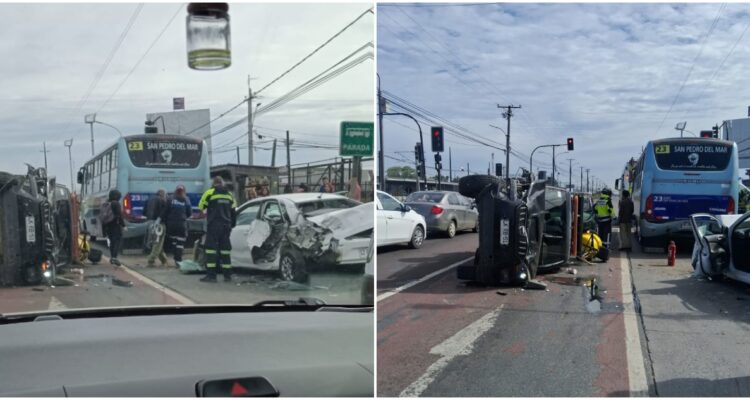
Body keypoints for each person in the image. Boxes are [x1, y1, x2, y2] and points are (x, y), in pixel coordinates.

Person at [199, 176, 237, 282]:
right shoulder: (230, 195)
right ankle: (227, 275)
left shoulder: (209, 193)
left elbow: (201, 206)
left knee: (211, 249)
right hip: (226, 226)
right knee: (225, 250)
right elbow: (233, 212)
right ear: (223, 183)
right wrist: (232, 225)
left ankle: (211, 276)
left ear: (214, 183)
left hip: (214, 225)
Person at [161, 185, 192, 266]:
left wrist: (163, 220)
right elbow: (189, 213)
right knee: (180, 243)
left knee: (174, 242)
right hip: (181, 224)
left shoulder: (170, 199)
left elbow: (165, 211)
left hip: (171, 225)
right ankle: (178, 260)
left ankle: (175, 258)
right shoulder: (186, 199)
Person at [146, 189, 168, 267]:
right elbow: (164, 213)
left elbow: (144, 211)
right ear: (163, 195)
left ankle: (164, 260)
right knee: (158, 243)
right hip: (159, 224)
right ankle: (151, 260)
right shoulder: (163, 201)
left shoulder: (149, 199)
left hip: (150, 223)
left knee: (157, 242)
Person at [102, 189, 125, 266]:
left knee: (112, 241)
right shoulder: (116, 203)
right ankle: (114, 258)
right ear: (116, 196)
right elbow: (119, 215)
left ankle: (112, 257)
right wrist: (123, 225)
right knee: (117, 241)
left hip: (108, 225)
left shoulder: (106, 203)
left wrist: (103, 229)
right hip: (115, 225)